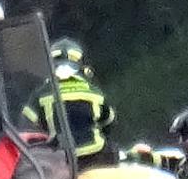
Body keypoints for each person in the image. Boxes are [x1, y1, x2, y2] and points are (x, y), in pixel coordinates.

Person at [21, 37, 116, 168]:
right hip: (94, 154)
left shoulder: (42, 93)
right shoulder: (94, 92)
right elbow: (108, 121)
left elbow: (26, 123)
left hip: (59, 157)